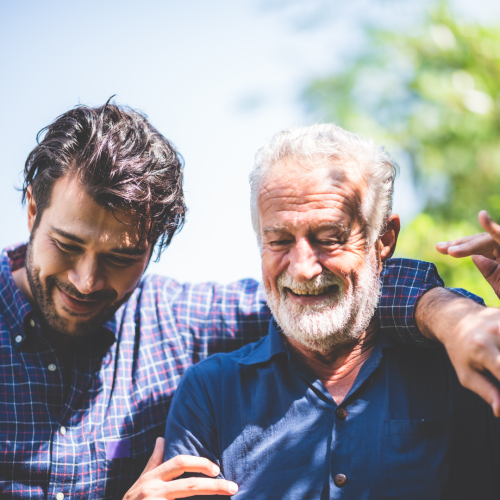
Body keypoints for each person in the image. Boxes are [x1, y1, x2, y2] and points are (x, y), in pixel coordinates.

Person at [0, 101, 496, 500]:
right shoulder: (210, 389)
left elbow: (335, 297)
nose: (87, 281)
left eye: (121, 257)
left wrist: (455, 316)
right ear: (31, 212)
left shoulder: (175, 320)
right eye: (67, 246)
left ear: (152, 248)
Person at [163, 124, 500, 499]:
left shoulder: (456, 362)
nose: (303, 268)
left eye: (329, 239)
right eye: (279, 241)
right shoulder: (211, 392)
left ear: (383, 239)